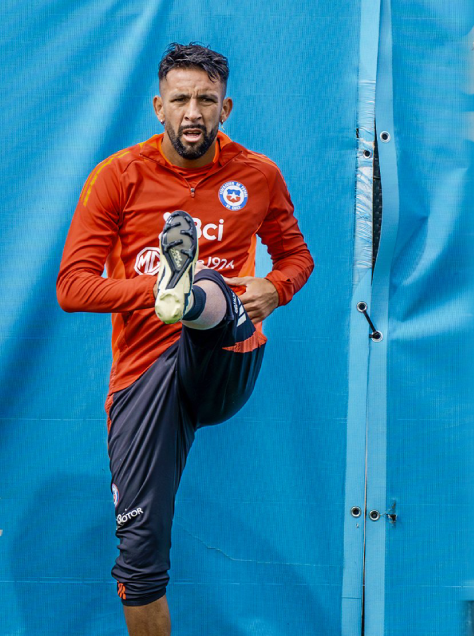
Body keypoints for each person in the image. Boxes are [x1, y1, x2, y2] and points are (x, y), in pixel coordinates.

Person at [57, 43, 314, 636]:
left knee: (210, 289)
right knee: (138, 557)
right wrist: (154, 293)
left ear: (226, 107)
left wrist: (276, 288)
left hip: (226, 359)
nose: (192, 111)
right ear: (158, 106)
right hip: (145, 377)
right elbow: (72, 286)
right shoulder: (118, 176)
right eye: (180, 99)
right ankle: (183, 289)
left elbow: (297, 257)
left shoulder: (258, 175)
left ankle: (195, 291)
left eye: (205, 99)